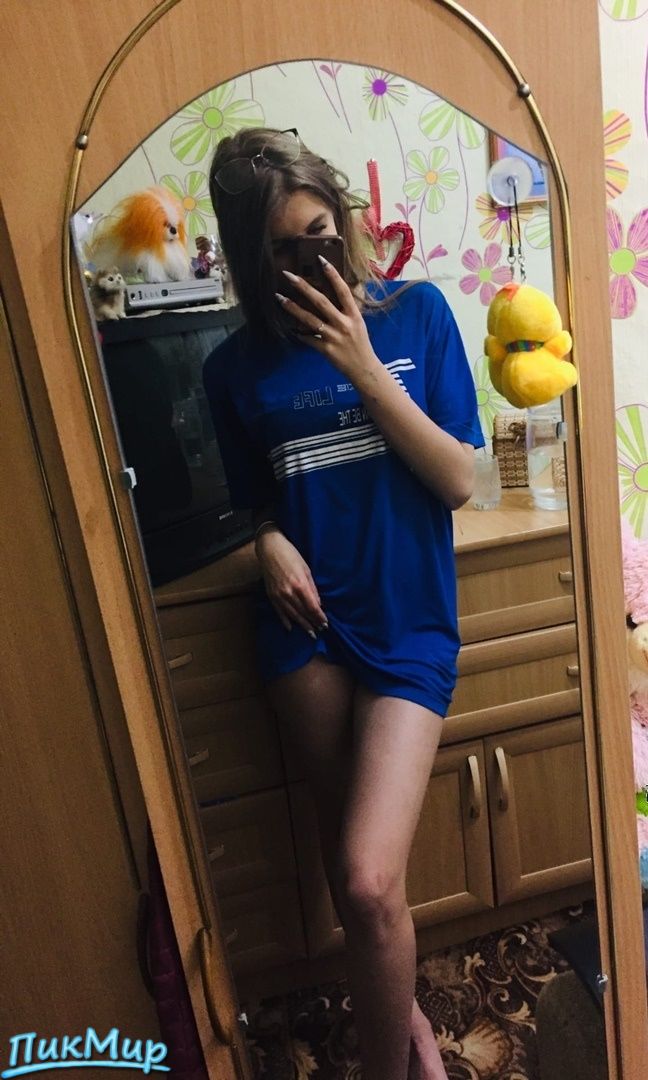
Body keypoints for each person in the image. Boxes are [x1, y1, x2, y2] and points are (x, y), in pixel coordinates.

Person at [202, 127, 485, 1080]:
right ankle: (405, 1025)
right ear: (252, 258)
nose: (309, 259)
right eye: (282, 248)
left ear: (345, 220)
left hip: (408, 620)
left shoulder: (418, 315)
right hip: (307, 629)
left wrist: (362, 363)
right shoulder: (232, 368)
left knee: (366, 878)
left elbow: (459, 480)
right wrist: (266, 541)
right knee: (351, 858)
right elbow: (257, 501)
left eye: (320, 233)